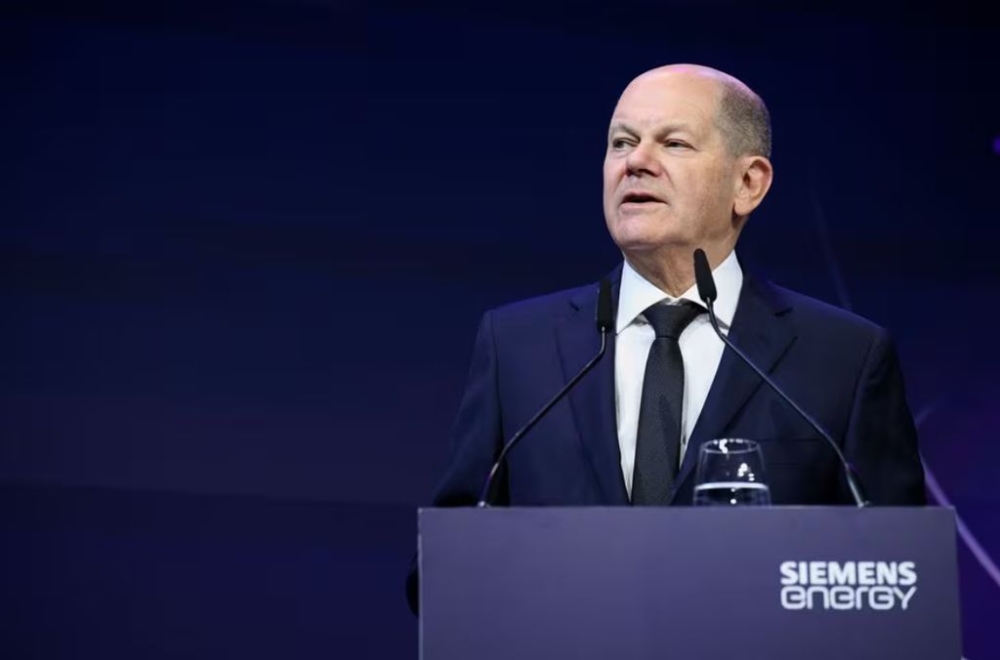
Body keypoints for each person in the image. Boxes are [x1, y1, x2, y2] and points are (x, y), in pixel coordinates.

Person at [407, 64, 925, 612]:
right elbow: (443, 566)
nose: (636, 161)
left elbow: (899, 578)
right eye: (621, 142)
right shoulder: (517, 346)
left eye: (673, 143)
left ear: (748, 183)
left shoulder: (844, 358)